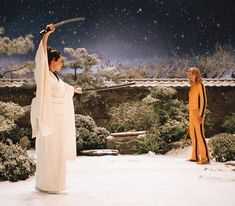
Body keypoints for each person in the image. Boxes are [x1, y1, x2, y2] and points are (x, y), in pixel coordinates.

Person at [30, 24, 82, 193]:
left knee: (57, 151)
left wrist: (73, 89)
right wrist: (46, 34)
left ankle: (55, 184)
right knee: (50, 151)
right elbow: (42, 54)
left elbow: (61, 89)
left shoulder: (54, 78)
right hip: (49, 118)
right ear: (52, 61)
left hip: (58, 120)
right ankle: (48, 184)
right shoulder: (44, 74)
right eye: (60, 61)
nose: (61, 64)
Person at [187, 67, 210, 164]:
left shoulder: (200, 85)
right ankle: (195, 156)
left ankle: (205, 158)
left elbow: (204, 101)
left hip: (197, 113)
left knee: (200, 135)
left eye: (192, 74)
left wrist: (201, 115)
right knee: (193, 135)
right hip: (191, 112)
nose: (190, 76)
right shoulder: (192, 86)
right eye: (189, 74)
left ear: (196, 74)